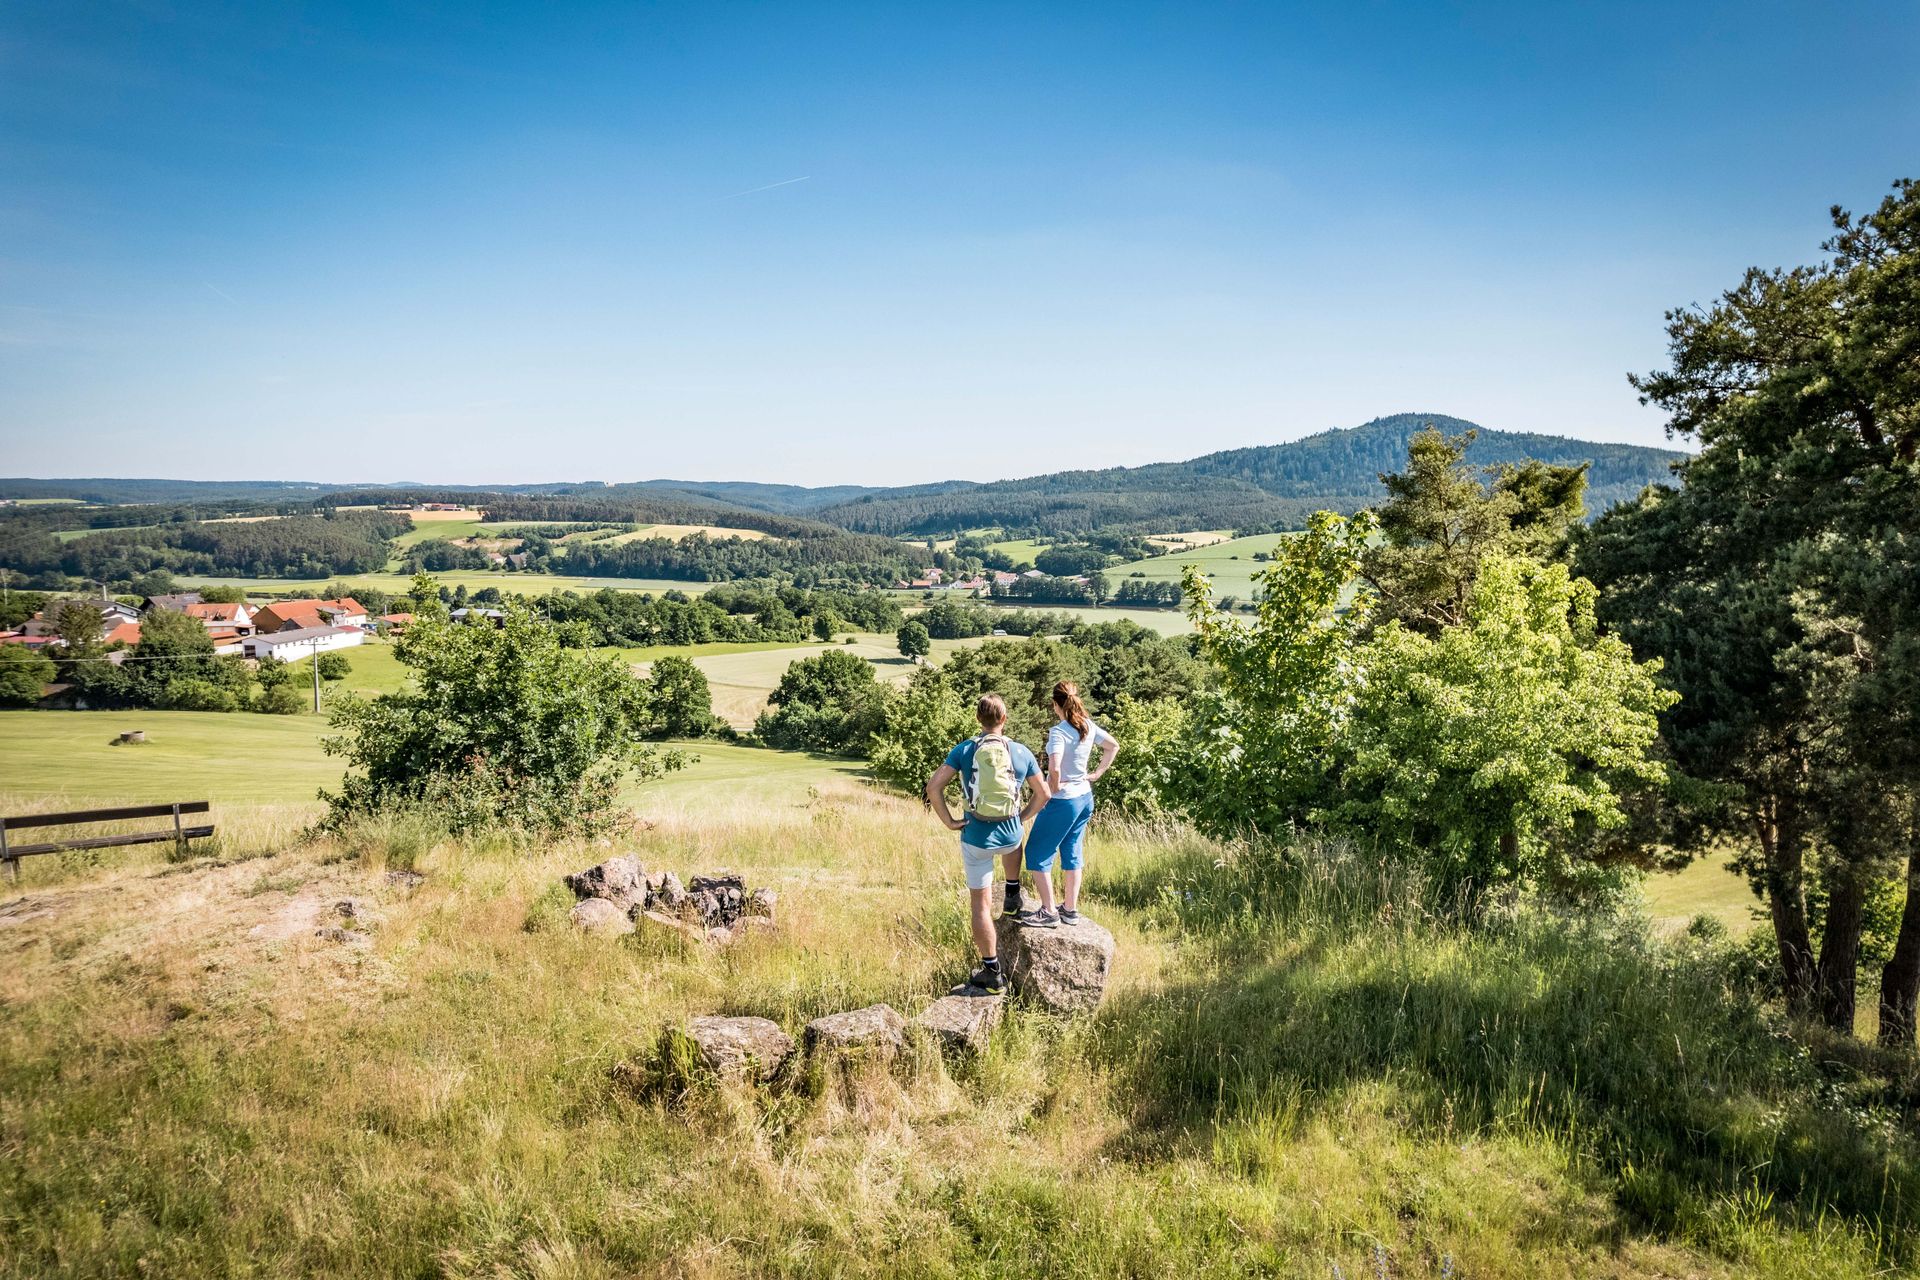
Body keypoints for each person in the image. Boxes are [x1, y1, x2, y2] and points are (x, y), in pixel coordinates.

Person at [926, 692, 1051, 993]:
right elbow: (1044, 793)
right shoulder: (1020, 752)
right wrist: (1021, 816)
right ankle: (1012, 894)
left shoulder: (964, 750)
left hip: (975, 837)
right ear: (1004, 720)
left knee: (980, 908)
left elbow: (933, 787)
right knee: (1014, 843)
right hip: (1009, 834)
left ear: (978, 719)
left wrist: (950, 822)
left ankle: (992, 972)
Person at [1019, 681, 1118, 927]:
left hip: (1064, 801)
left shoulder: (1059, 732)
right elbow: (1113, 746)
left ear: (1055, 705)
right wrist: (1096, 774)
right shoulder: (1087, 726)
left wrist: (1051, 789)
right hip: (1085, 797)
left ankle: (1049, 911)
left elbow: (1054, 768)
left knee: (1037, 852)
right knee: (1072, 851)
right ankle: (1070, 909)